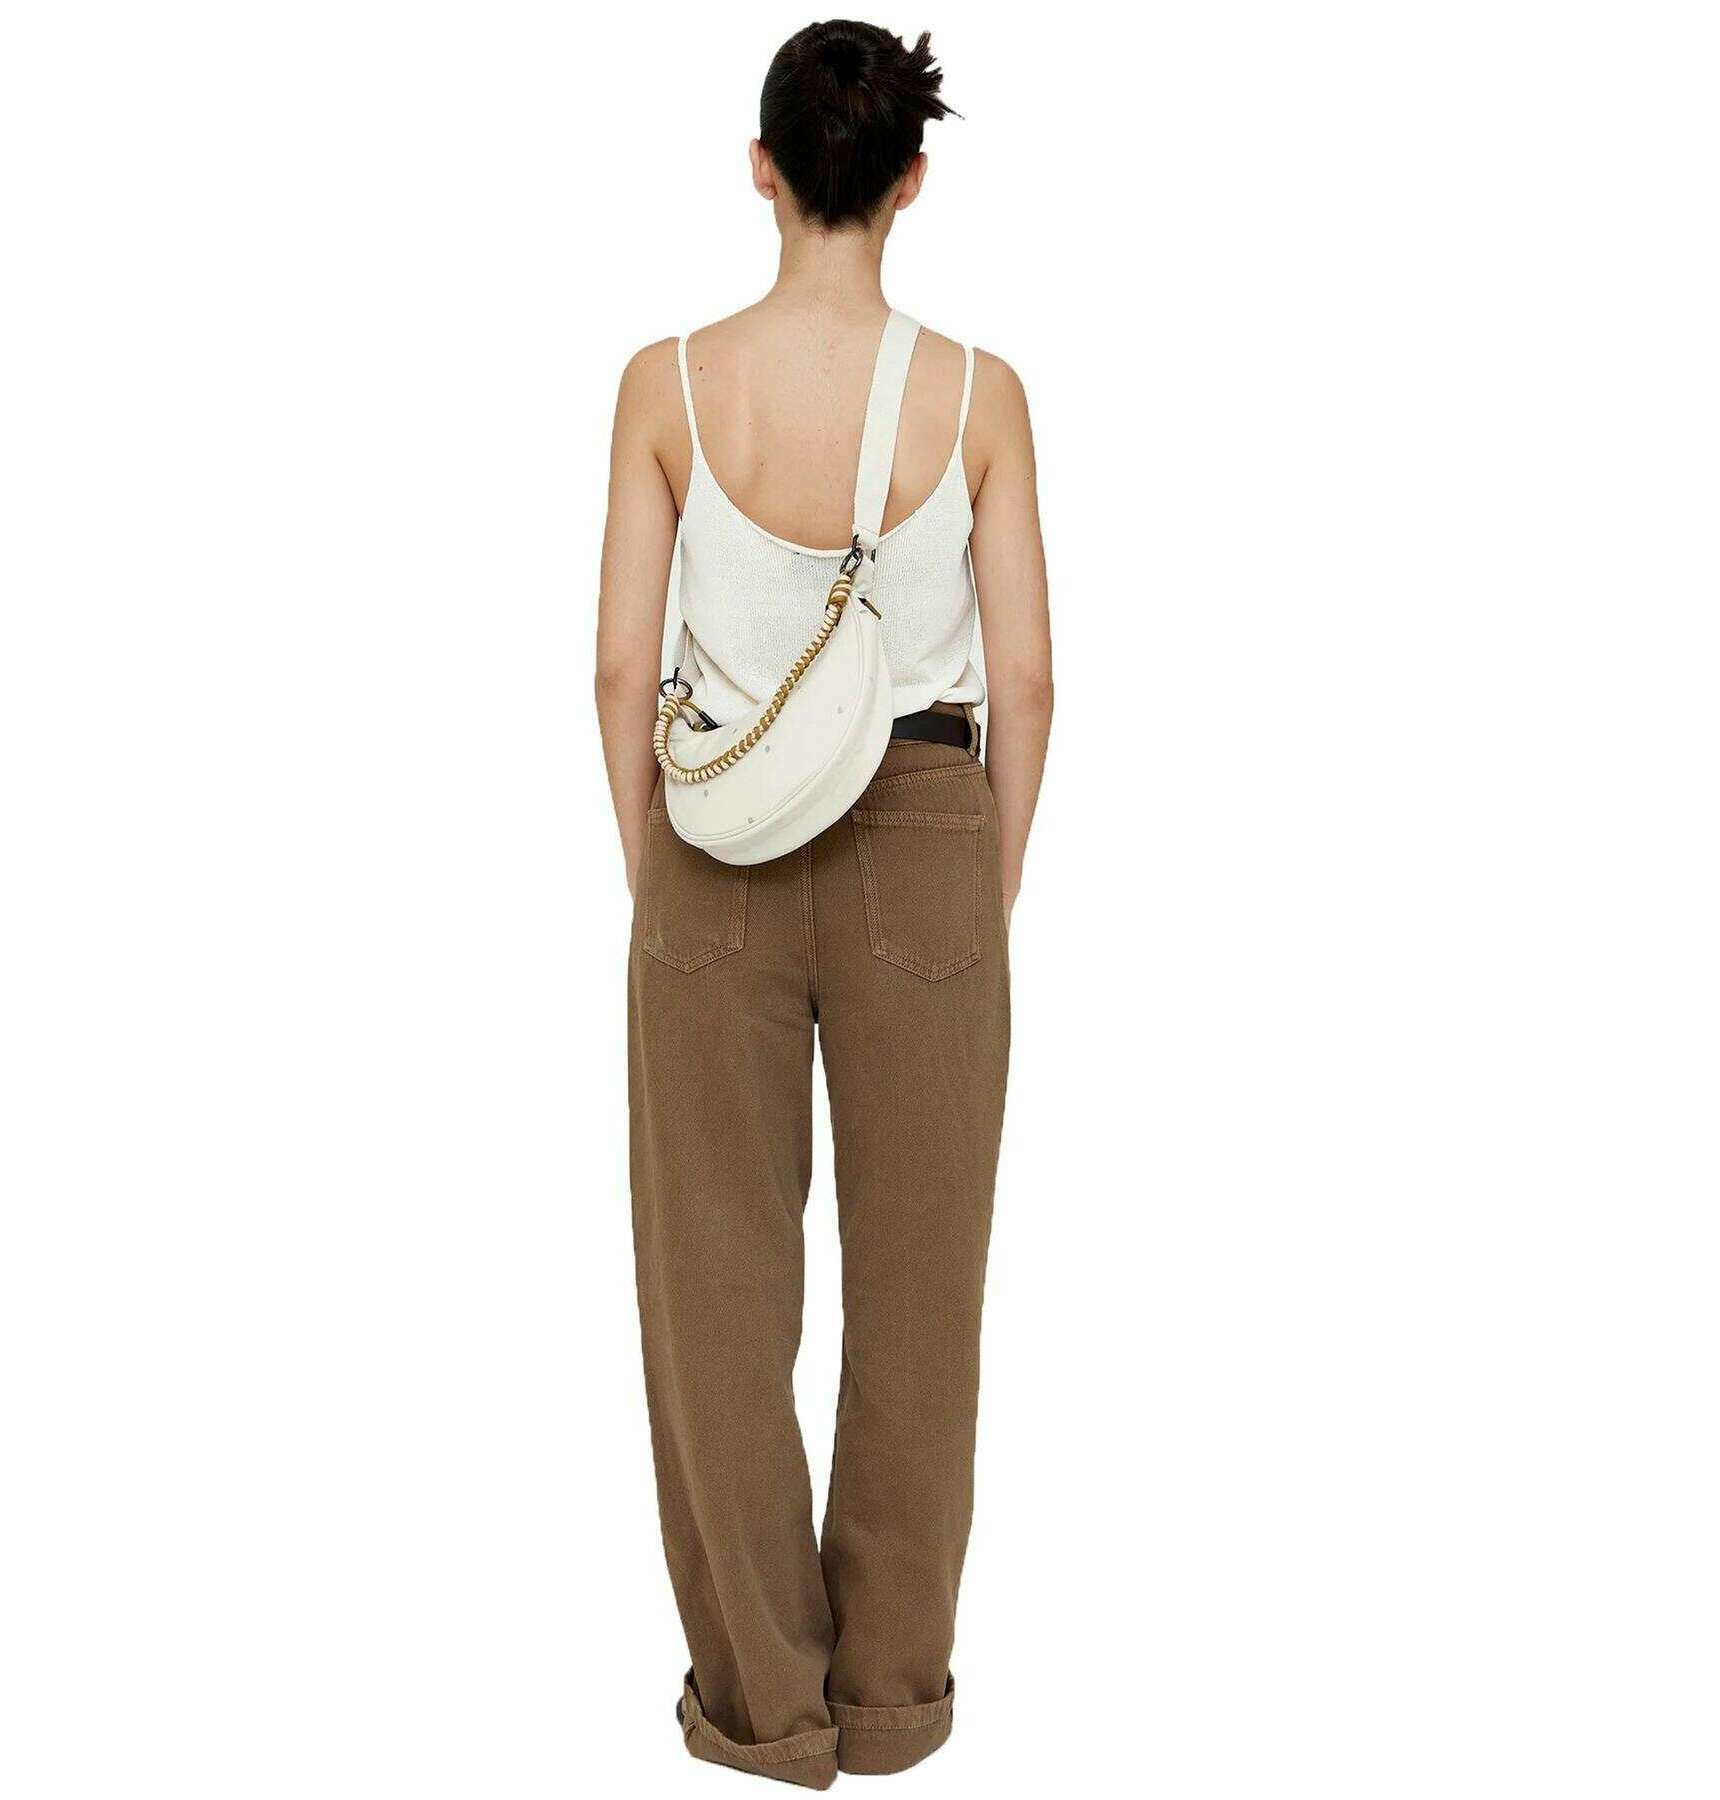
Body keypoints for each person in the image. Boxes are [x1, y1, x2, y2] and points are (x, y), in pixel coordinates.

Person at [594, 20, 1052, 1787]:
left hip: (707, 844)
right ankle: (893, 1699)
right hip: (930, 832)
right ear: (912, 179)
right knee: (924, 1298)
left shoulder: (667, 385)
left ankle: (765, 1709)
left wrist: (655, 870)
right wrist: (984, 886)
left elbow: (618, 664)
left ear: (763, 169)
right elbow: (1032, 676)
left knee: (714, 1294)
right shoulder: (980, 397)